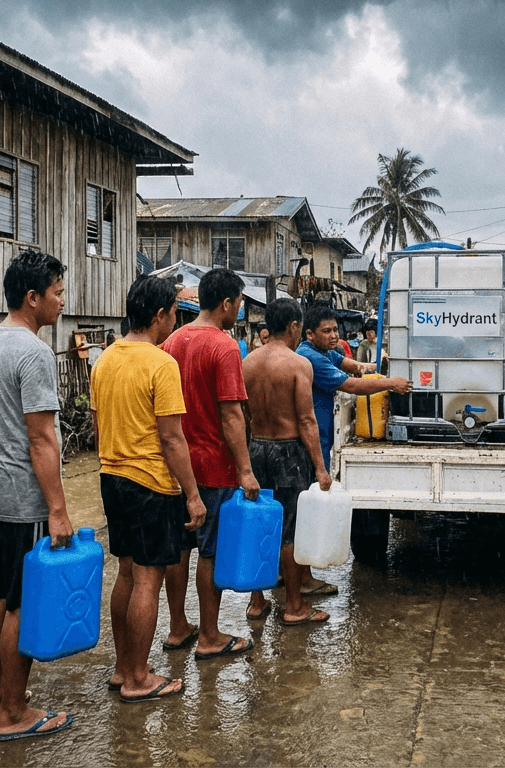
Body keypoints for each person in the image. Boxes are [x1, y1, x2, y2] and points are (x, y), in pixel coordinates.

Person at [0, 250, 74, 741]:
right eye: (56, 293)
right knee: (20, 606)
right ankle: (14, 713)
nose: (60, 301)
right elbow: (41, 438)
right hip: (20, 499)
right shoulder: (33, 353)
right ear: (32, 298)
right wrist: (57, 509)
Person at [90, 275, 207, 703]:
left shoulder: (104, 359)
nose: (175, 322)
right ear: (159, 315)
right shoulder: (160, 363)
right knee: (147, 580)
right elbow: (173, 438)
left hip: (111, 476)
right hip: (151, 484)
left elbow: (99, 425)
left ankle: (124, 668)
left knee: (125, 573)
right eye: (175, 314)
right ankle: (139, 678)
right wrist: (192, 494)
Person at [162, 268, 261, 660]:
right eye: (239, 303)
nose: (239, 310)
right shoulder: (224, 347)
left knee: (179, 549)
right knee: (210, 551)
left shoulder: (170, 342)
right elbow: (232, 415)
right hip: (212, 464)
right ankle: (209, 635)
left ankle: (176, 627)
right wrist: (246, 469)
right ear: (226, 303)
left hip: (175, 464)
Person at [297, 303, 412, 595]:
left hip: (323, 438)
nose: (334, 335)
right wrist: (392, 384)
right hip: (311, 441)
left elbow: (354, 367)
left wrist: (377, 367)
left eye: (335, 329)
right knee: (304, 510)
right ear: (309, 334)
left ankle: (295, 573)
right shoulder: (310, 358)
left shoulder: (326, 352)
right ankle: (300, 576)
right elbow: (351, 385)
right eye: (327, 331)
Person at [243, 299, 333, 627]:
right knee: (289, 530)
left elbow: (242, 415)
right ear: (294, 327)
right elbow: (307, 420)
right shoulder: (297, 365)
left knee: (259, 523)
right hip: (288, 451)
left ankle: (256, 602)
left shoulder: (247, 363)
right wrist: (320, 468)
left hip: (257, 447)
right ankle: (295, 606)